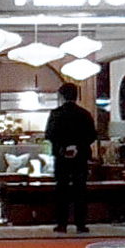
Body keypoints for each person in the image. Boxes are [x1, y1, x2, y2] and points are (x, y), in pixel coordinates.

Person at [44, 81, 98, 234]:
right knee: (80, 190)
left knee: (62, 190)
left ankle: (62, 224)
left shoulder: (56, 114)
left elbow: (50, 134)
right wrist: (77, 146)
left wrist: (63, 147)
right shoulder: (84, 114)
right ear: (77, 96)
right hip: (80, 157)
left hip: (61, 158)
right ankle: (81, 224)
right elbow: (92, 135)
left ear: (61, 96)